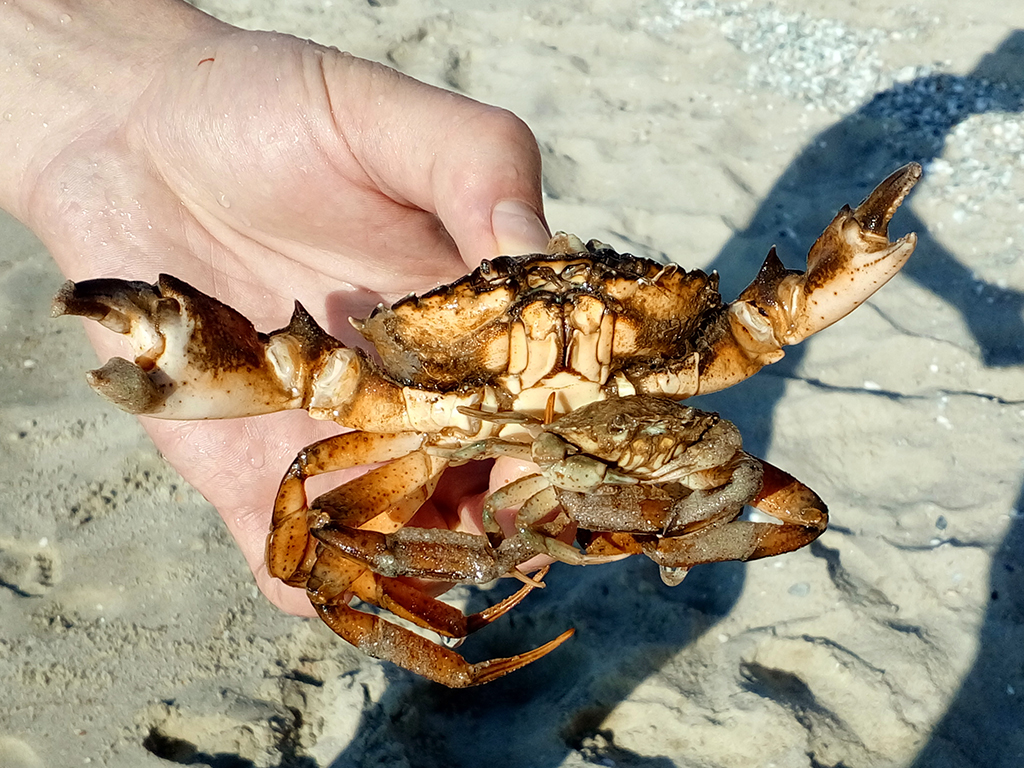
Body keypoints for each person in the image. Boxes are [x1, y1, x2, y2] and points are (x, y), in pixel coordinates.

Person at [3, 0, 551, 615]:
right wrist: (126, 103)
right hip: (416, 416)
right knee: (329, 548)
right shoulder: (382, 391)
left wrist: (139, 85)